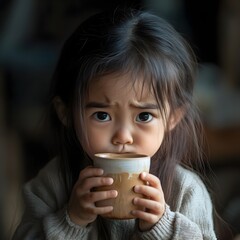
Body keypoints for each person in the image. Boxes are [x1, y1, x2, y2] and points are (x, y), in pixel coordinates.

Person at [13, 7, 217, 239]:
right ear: (66, 114)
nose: (123, 136)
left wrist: (161, 227)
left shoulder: (185, 191)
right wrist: (71, 220)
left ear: (173, 118)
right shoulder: (53, 183)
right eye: (102, 115)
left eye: (143, 116)